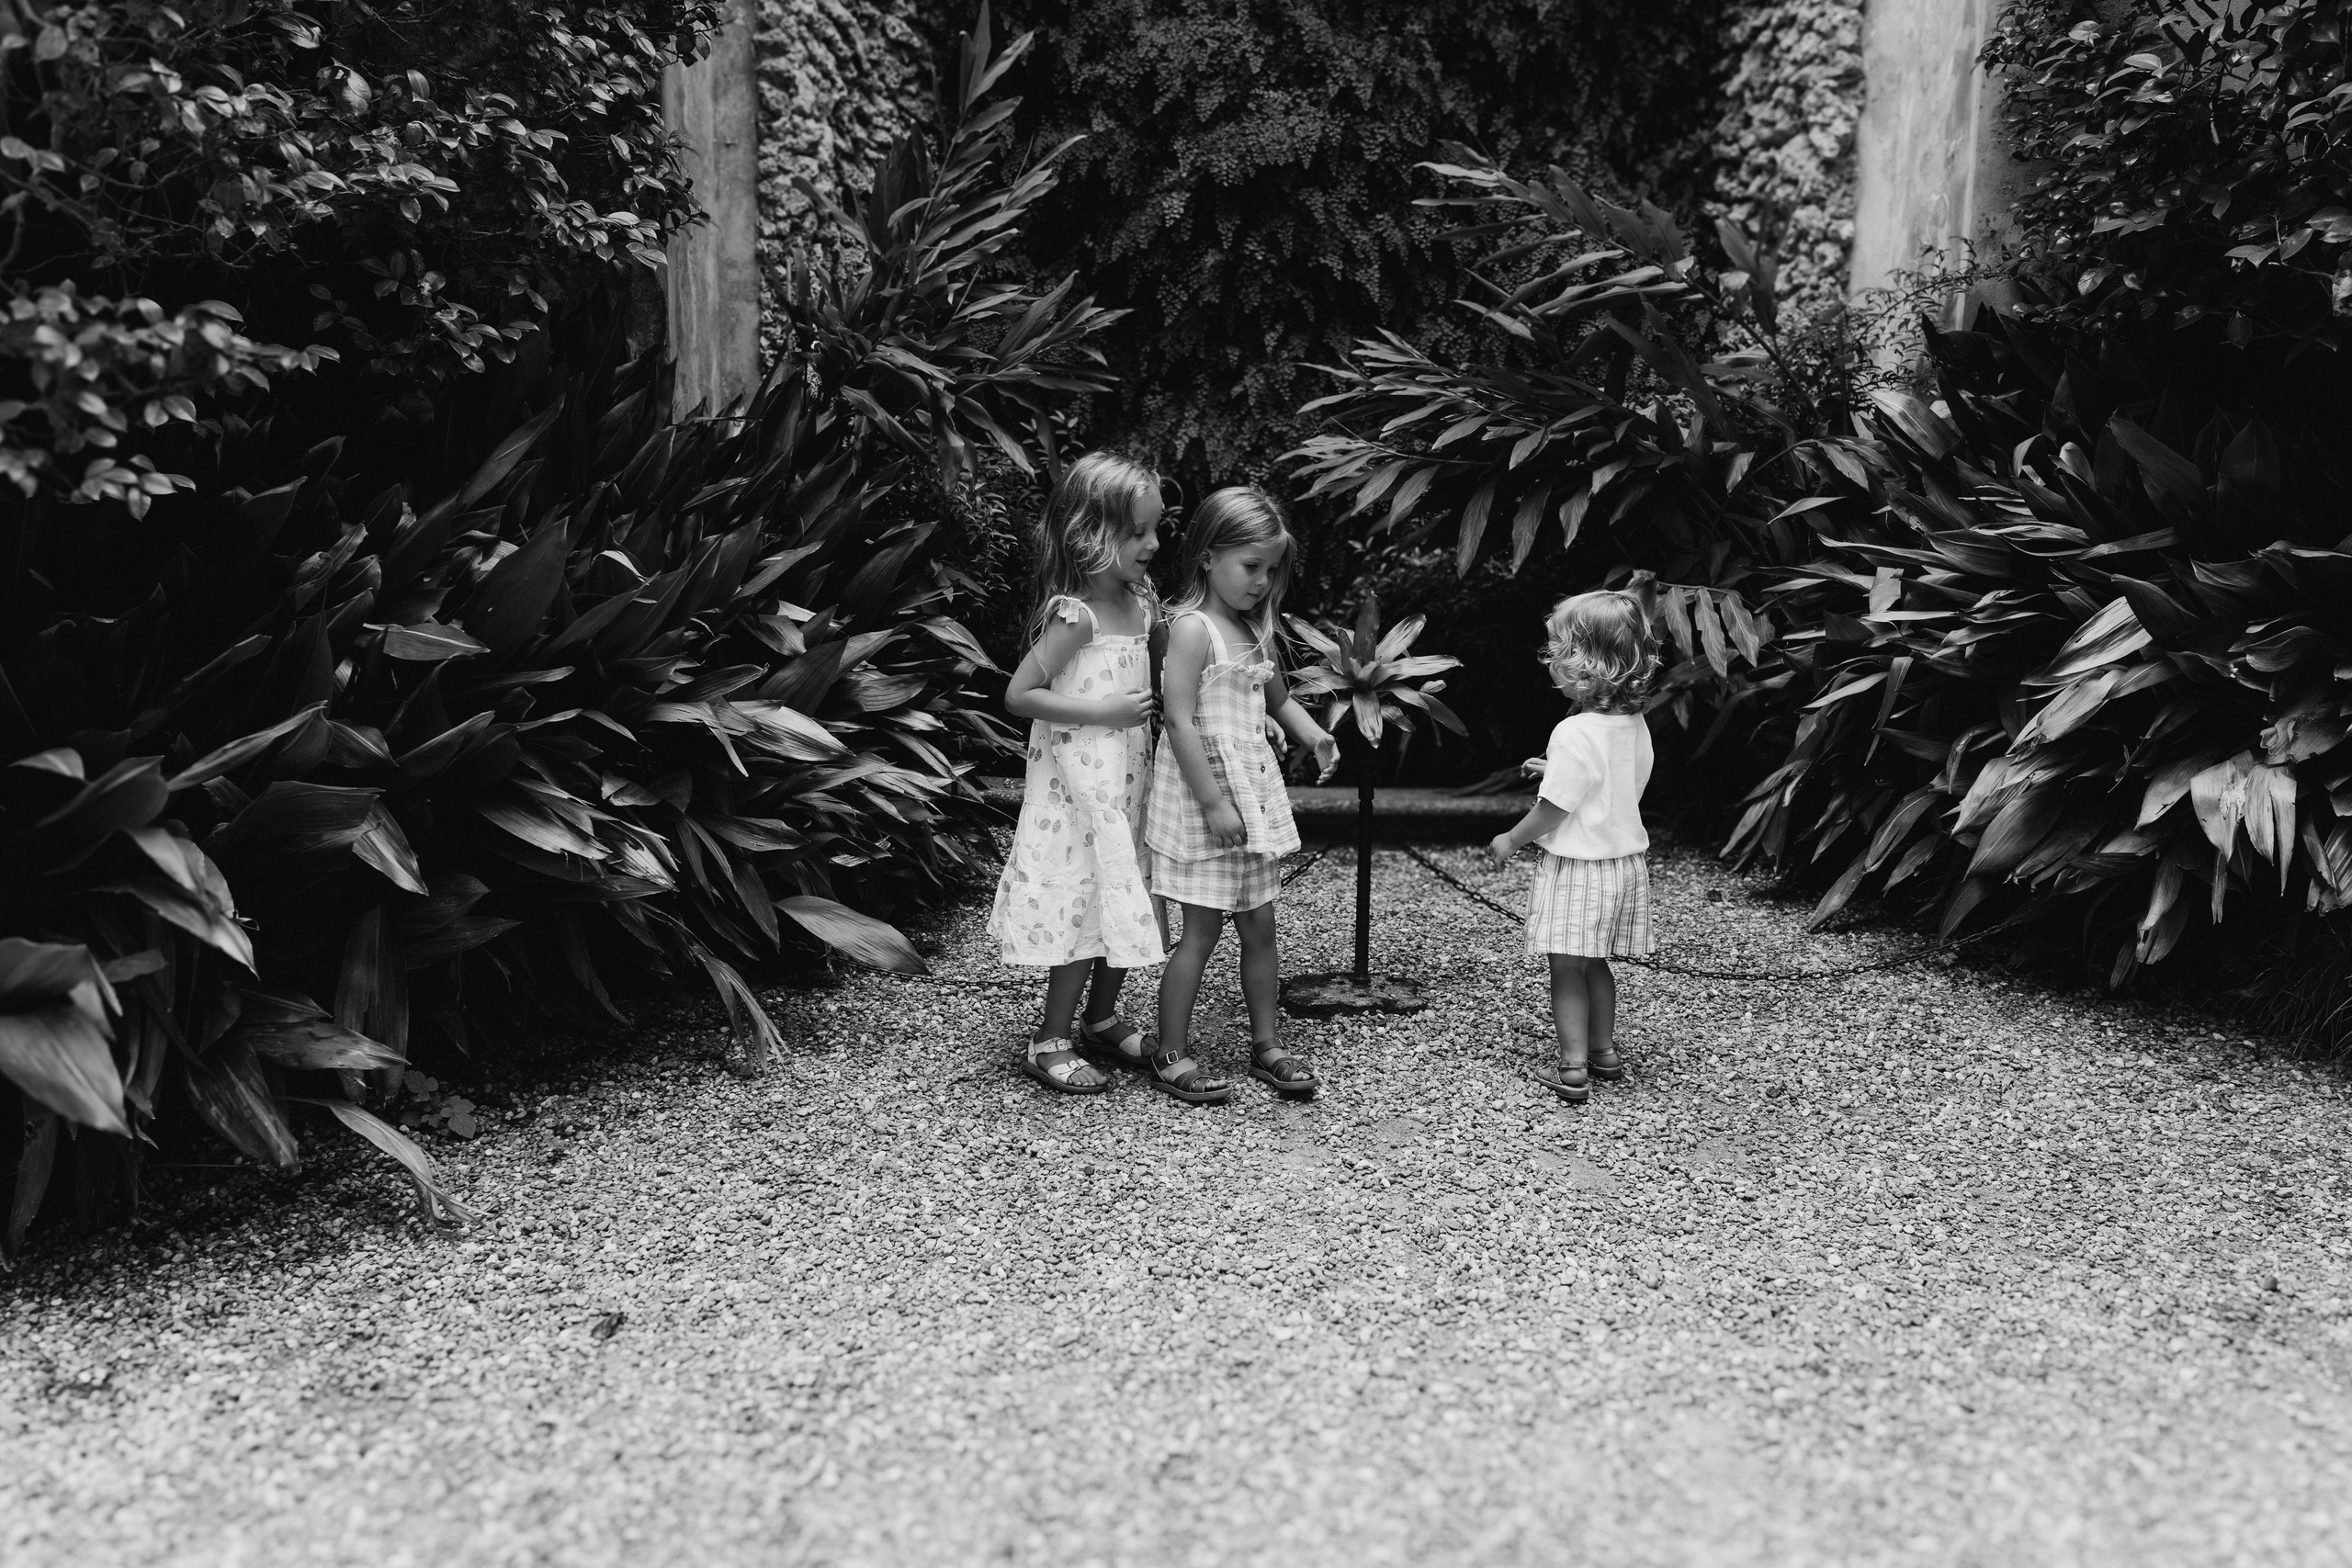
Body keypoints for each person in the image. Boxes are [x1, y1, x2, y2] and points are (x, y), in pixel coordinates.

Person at [1146, 486, 1340, 1103]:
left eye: (1272, 569)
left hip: (1249, 803)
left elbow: (1276, 697)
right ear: (1208, 556)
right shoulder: (1192, 629)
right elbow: (1178, 720)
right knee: (1200, 931)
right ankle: (1171, 1050)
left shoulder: (1255, 628)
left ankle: (1266, 1043)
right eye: (1251, 566)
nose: (1262, 582)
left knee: (1261, 926)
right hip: (1206, 802)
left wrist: (1314, 735)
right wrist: (1212, 802)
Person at [988, 452, 1167, 1095]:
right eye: (1137, 531)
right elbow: (1020, 694)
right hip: (1077, 791)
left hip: (1126, 785)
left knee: (1122, 894)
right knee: (1082, 905)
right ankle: (1050, 1039)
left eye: (1156, 528)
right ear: (1091, 533)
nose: (1152, 543)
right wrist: (1103, 711)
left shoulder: (1141, 603)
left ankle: (1101, 1018)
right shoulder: (1077, 615)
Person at [1485, 590, 1661, 1104]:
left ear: (1584, 666)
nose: (1549, 663)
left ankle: (1572, 1067)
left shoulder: (1573, 730)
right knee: (1595, 961)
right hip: (1623, 864)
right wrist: (1555, 770)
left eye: (1556, 652)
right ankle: (1603, 1051)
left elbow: (1554, 809)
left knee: (1565, 966)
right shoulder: (1633, 724)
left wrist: (1511, 839)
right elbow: (1615, 780)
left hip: (1580, 870)